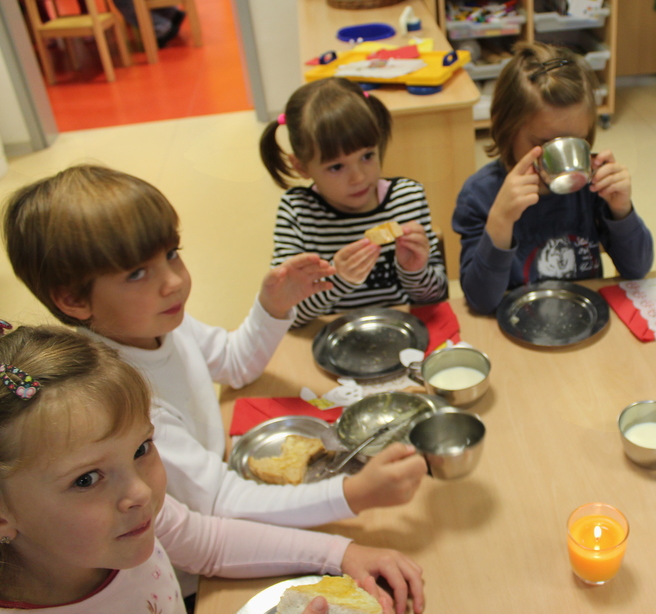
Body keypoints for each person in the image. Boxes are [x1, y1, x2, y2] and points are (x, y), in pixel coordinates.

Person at [2, 165, 428, 592]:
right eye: (136, 273)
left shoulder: (159, 324)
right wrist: (353, 493)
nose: (174, 282)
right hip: (204, 570)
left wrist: (274, 306)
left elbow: (232, 362)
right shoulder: (123, 400)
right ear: (73, 299)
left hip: (219, 491)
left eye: (172, 254)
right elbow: (222, 504)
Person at [0, 323, 424, 614]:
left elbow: (209, 543)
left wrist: (340, 553)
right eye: (86, 479)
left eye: (142, 448)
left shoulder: (131, 519)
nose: (142, 492)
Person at [452, 42, 654, 314]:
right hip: (516, 324)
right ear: (505, 125)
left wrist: (622, 212)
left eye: (576, 142)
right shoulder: (480, 195)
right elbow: (480, 301)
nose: (561, 161)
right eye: (544, 144)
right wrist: (500, 221)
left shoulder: (591, 186)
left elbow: (637, 270)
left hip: (582, 318)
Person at [261, 77, 448, 326]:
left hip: (400, 331)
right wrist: (339, 280)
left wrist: (414, 271)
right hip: (333, 335)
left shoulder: (407, 198)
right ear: (302, 166)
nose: (359, 177)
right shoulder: (298, 212)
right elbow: (288, 315)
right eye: (336, 167)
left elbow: (437, 297)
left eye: (367, 156)